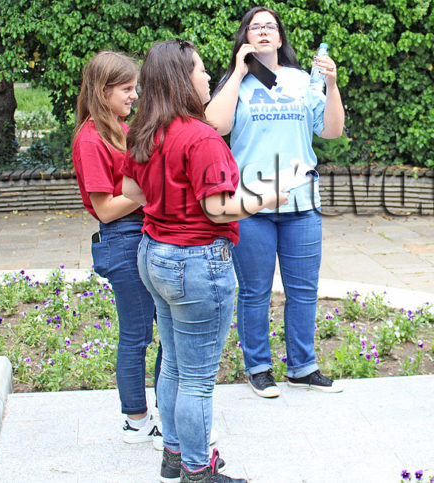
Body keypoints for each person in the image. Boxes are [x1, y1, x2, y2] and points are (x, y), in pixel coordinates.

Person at [122, 39, 286, 482]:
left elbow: (134, 192)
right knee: (196, 377)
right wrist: (269, 197)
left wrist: (171, 204)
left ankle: (174, 455)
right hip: (197, 262)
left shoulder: (143, 132)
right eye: (199, 69)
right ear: (181, 78)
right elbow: (218, 209)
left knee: (174, 364)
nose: (207, 76)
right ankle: (198, 469)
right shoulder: (201, 137)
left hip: (153, 253)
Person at [205, 6, 345, 398]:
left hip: (302, 202)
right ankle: (259, 368)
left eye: (271, 26)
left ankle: (303, 367)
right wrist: (238, 71)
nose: (264, 31)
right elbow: (215, 125)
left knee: (303, 290)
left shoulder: (302, 80)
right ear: (245, 37)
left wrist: (332, 85)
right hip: (251, 204)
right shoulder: (235, 82)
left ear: (280, 37)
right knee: (255, 292)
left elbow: (331, 130)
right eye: (256, 27)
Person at [71, 51, 162, 449]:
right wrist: (150, 189)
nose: (134, 96)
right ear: (102, 90)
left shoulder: (121, 129)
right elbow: (106, 209)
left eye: (134, 88)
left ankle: (164, 411)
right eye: (126, 89)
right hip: (123, 239)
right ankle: (136, 420)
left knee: (165, 332)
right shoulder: (90, 139)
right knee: (137, 336)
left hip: (144, 232)